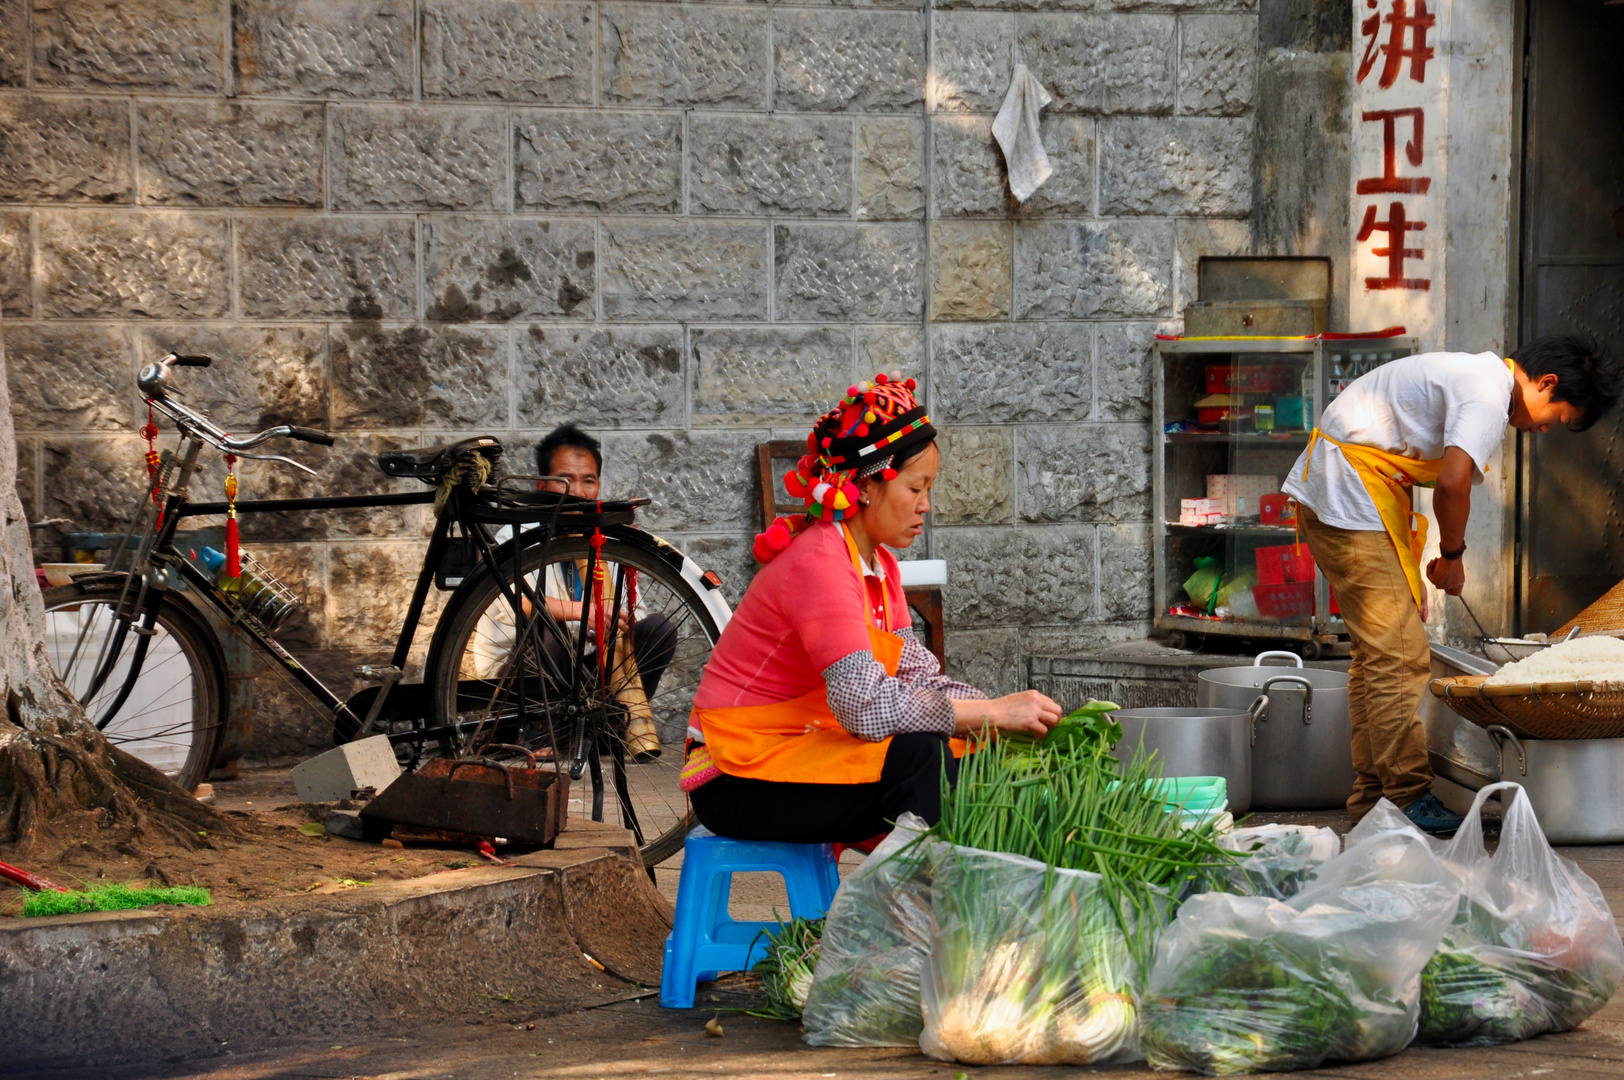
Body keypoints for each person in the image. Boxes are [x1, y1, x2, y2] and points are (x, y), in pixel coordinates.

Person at [681, 374, 1064, 844]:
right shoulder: (821, 562)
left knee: (972, 749)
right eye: (915, 489)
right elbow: (864, 707)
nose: (926, 506)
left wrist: (1016, 716)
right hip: (734, 774)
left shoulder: (879, 566)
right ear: (866, 485)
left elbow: (920, 678)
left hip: (796, 745)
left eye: (929, 490)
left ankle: (949, 890)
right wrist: (989, 712)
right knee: (921, 756)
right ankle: (915, 907)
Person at [1282, 334, 1622, 834]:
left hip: (1344, 494)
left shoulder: (1479, 377)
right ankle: (1407, 796)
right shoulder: (1488, 391)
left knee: (1376, 657)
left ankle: (1374, 799)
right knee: (1400, 656)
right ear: (1545, 383)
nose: (1545, 430)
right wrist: (1453, 557)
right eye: (1558, 417)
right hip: (1347, 497)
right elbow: (1453, 481)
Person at [484, 424, 675, 760]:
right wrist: (583, 612)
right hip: (523, 678)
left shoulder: (607, 542)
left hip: (584, 675)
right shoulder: (515, 536)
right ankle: (541, 734)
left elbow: (633, 615)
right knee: (546, 624)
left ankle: (611, 728)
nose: (579, 492)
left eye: (589, 481)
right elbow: (521, 602)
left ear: (599, 486)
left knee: (657, 629)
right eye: (565, 480)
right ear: (543, 485)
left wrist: (623, 623)